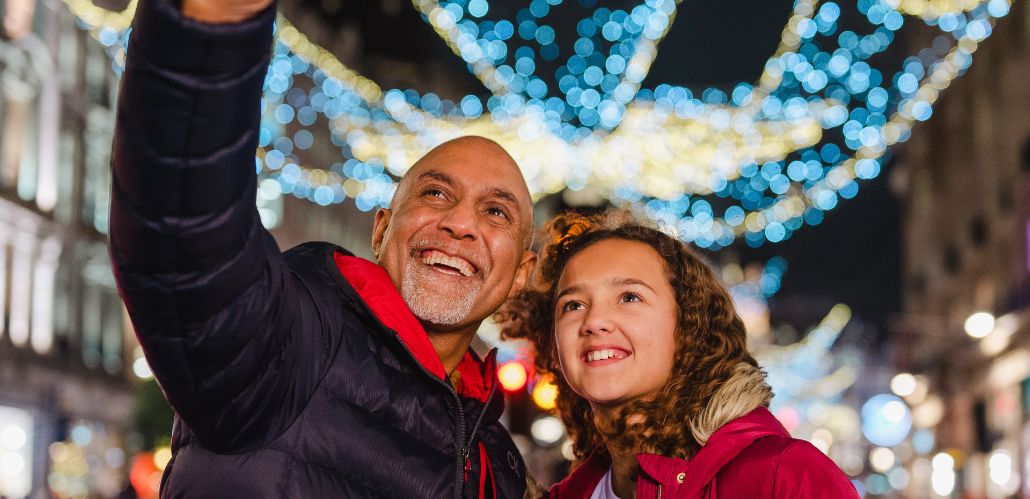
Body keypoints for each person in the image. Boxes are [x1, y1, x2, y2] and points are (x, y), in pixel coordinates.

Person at [108, 0, 537, 495]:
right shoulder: (292, 342)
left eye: (496, 212)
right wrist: (209, 32)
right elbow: (184, 246)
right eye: (435, 194)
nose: (460, 223)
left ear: (522, 272)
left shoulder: (498, 462)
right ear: (381, 231)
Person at [501, 211, 859, 498]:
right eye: (574, 304)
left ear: (688, 324)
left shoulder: (783, 477)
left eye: (629, 297)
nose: (594, 321)